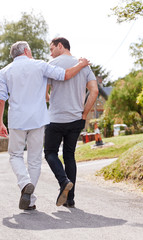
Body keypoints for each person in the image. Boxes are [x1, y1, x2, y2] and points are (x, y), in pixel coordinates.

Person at [0, 41, 90, 210]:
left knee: (15, 155)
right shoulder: (40, 65)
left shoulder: (5, 71)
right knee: (34, 160)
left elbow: (0, 100)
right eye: (29, 50)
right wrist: (81, 64)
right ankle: (29, 199)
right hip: (38, 120)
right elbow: (66, 75)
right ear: (26, 50)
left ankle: (25, 185)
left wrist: (0, 122)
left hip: (17, 120)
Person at [44, 37, 98, 208]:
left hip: (55, 119)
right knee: (69, 156)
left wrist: (53, 100)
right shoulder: (84, 65)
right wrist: (84, 113)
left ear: (60, 46)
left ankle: (63, 181)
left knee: (50, 152)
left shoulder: (51, 65)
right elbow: (94, 91)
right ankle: (70, 199)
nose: (50, 53)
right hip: (76, 119)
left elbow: (43, 93)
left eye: (52, 49)